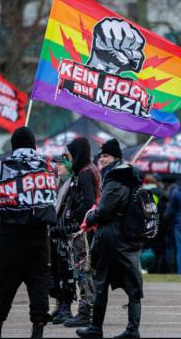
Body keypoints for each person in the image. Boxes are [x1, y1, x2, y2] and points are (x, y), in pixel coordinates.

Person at [0, 127, 57, 339]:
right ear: (34, 144)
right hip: (38, 235)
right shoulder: (47, 167)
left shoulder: (4, 166)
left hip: (12, 235)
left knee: (4, 281)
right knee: (39, 283)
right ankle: (37, 331)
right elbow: (52, 199)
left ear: (14, 144)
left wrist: (1, 213)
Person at [76, 139, 143, 339]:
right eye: (101, 156)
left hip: (112, 239)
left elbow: (105, 210)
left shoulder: (116, 178)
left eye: (106, 156)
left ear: (115, 158)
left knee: (101, 282)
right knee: (133, 284)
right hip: (128, 236)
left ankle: (97, 328)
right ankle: (132, 329)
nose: (102, 159)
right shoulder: (129, 176)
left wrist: (90, 217)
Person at [59, 137, 100, 328]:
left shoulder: (84, 172)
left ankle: (85, 311)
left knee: (83, 269)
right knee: (86, 269)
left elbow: (88, 201)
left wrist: (73, 218)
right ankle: (88, 308)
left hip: (84, 229)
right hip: (90, 227)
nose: (67, 157)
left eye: (69, 153)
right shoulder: (90, 168)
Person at [50, 156, 75, 325]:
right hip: (53, 231)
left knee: (66, 271)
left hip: (66, 233)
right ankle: (59, 303)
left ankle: (66, 305)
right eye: (57, 163)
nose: (57, 166)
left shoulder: (73, 184)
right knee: (55, 270)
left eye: (61, 164)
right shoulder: (56, 182)